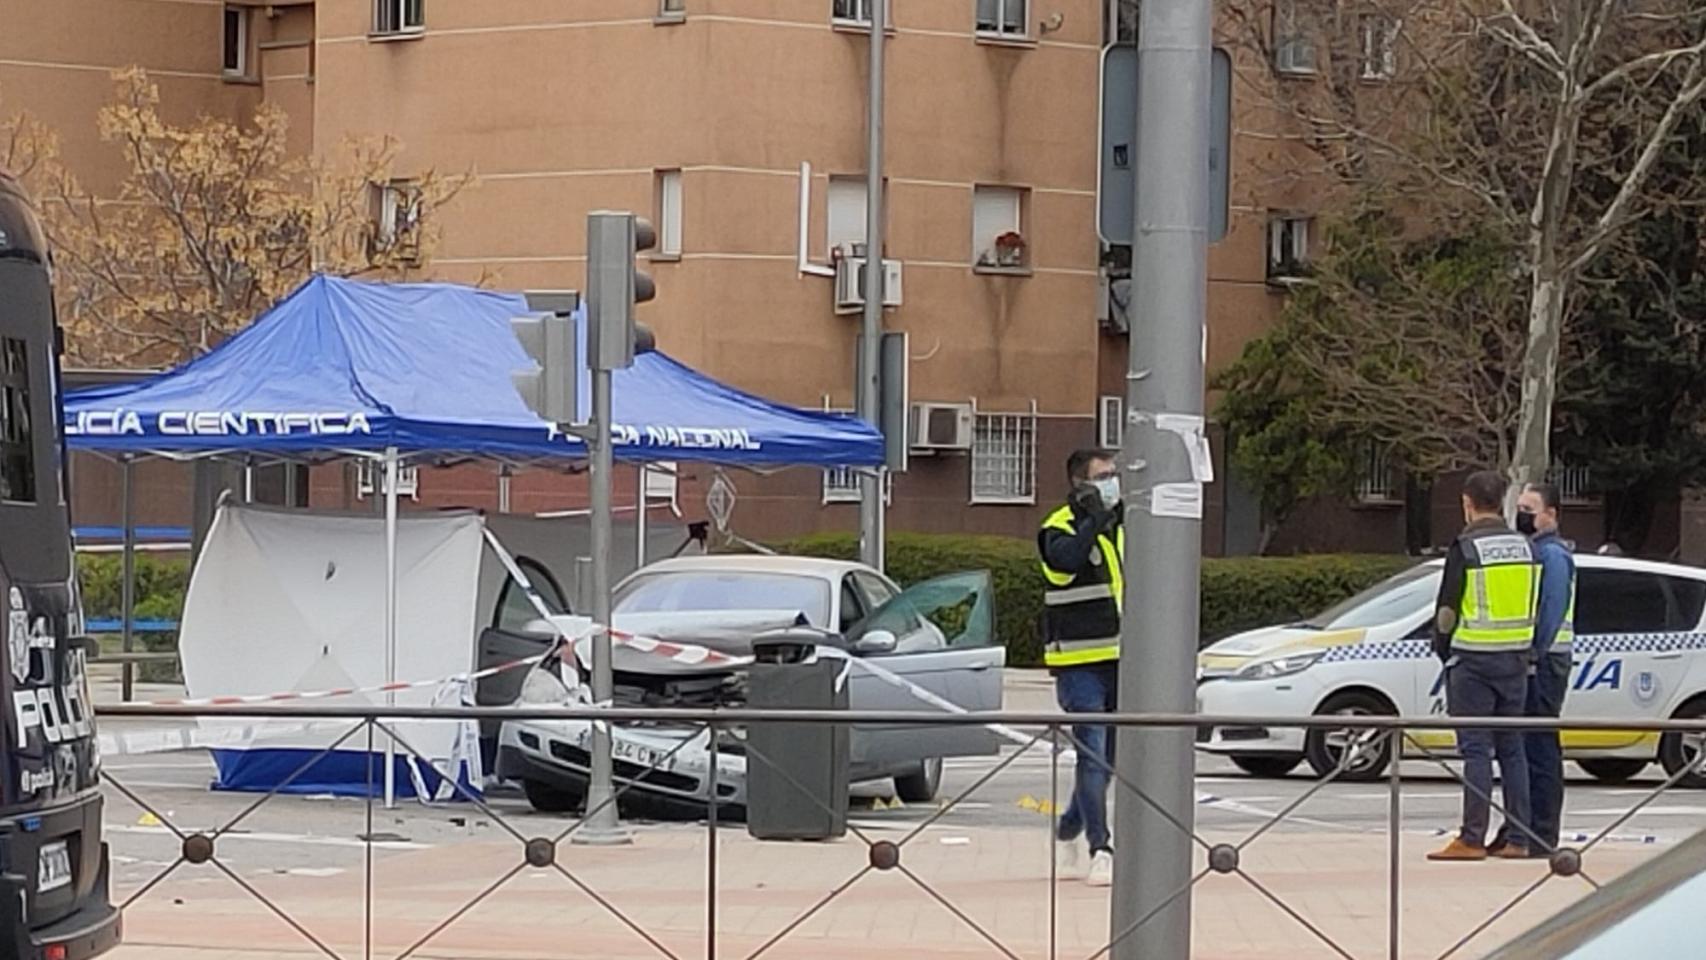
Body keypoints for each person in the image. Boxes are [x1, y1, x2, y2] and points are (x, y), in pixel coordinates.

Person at [1427, 471, 1539, 862]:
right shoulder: (1526, 547)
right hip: (1516, 660)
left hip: (1472, 660)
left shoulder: (1466, 546)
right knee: (1513, 750)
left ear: (1467, 503)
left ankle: (1472, 838)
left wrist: (1444, 649)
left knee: (1475, 750)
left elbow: (1446, 610)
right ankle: (1519, 839)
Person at [1038, 448, 1124, 887]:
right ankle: (1101, 847)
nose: (1113, 482)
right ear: (1080, 484)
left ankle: (1069, 825)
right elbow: (1065, 564)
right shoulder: (1057, 528)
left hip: (1121, 660)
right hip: (1078, 662)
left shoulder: (1122, 528)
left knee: (1108, 761)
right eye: (1104, 476)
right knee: (1092, 751)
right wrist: (1091, 520)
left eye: (1115, 474)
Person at [1489, 482, 1575, 857]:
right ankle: (1520, 828)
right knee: (1523, 746)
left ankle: (1540, 832)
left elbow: (1551, 609)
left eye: (1530, 508)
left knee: (1538, 748)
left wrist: (1533, 653)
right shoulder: (1533, 551)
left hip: (1544, 662)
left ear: (1551, 514)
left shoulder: (1552, 556)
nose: (1522, 514)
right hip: (1537, 659)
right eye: (1519, 507)